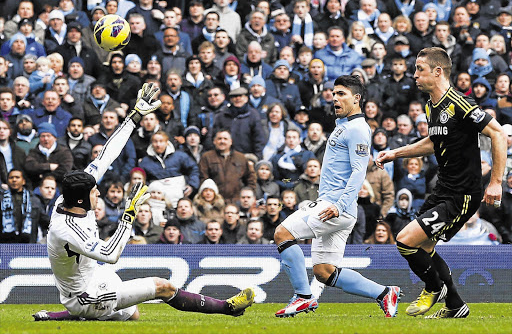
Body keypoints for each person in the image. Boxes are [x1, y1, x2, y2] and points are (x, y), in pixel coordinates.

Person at [32, 83, 254, 322]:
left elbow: (107, 154)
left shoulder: (72, 195)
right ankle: (228, 307)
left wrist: (135, 115)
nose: (98, 193)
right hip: (85, 296)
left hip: (94, 277)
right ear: (80, 199)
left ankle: (60, 316)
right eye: (94, 192)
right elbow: (109, 253)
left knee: (134, 317)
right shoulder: (66, 229)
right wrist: (129, 214)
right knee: (163, 287)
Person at [376, 47, 507, 319]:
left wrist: (495, 182)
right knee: (424, 247)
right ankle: (456, 305)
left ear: (437, 72)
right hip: (443, 188)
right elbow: (434, 141)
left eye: (419, 69)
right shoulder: (431, 105)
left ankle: (434, 288)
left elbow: (497, 133)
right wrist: (395, 153)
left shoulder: (460, 103)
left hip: (462, 194)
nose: (414, 75)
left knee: (405, 240)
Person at [273, 75, 401, 318]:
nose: (335, 98)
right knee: (324, 271)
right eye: (334, 93)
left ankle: (303, 297)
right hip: (338, 207)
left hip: (334, 205)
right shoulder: (345, 125)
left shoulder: (358, 129)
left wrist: (340, 205)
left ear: (357, 98)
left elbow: (358, 170)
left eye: (341, 94)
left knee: (282, 233)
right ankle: (384, 293)